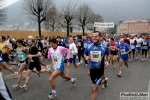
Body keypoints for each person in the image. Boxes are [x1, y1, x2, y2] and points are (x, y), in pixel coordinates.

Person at [84, 31, 109, 100]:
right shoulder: (89, 46)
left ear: (100, 37)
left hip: (100, 70)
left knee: (94, 89)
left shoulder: (104, 46)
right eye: (93, 36)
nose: (94, 38)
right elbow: (85, 54)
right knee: (93, 88)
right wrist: (86, 57)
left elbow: (107, 54)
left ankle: (103, 80)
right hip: (92, 69)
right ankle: (104, 81)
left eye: (96, 36)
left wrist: (107, 61)